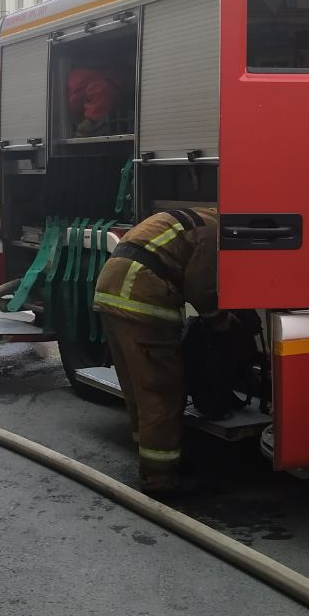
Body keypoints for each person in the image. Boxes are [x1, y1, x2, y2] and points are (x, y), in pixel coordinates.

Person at [92, 207, 233, 495]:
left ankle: (149, 456)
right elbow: (201, 287)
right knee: (161, 393)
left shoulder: (191, 220)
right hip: (142, 299)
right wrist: (222, 321)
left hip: (110, 291)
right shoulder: (211, 234)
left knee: (138, 389)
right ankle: (161, 481)